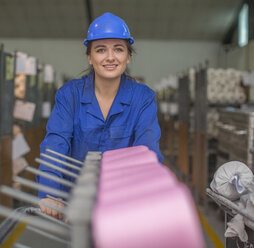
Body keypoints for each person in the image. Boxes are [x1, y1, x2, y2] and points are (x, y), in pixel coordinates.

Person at [37, 12, 163, 218]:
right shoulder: (70, 95)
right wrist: (50, 193)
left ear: (128, 56)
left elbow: (147, 149)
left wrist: (145, 192)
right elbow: (56, 143)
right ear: (90, 56)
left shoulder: (143, 98)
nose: (110, 57)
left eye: (119, 49)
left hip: (124, 204)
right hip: (75, 205)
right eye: (101, 49)